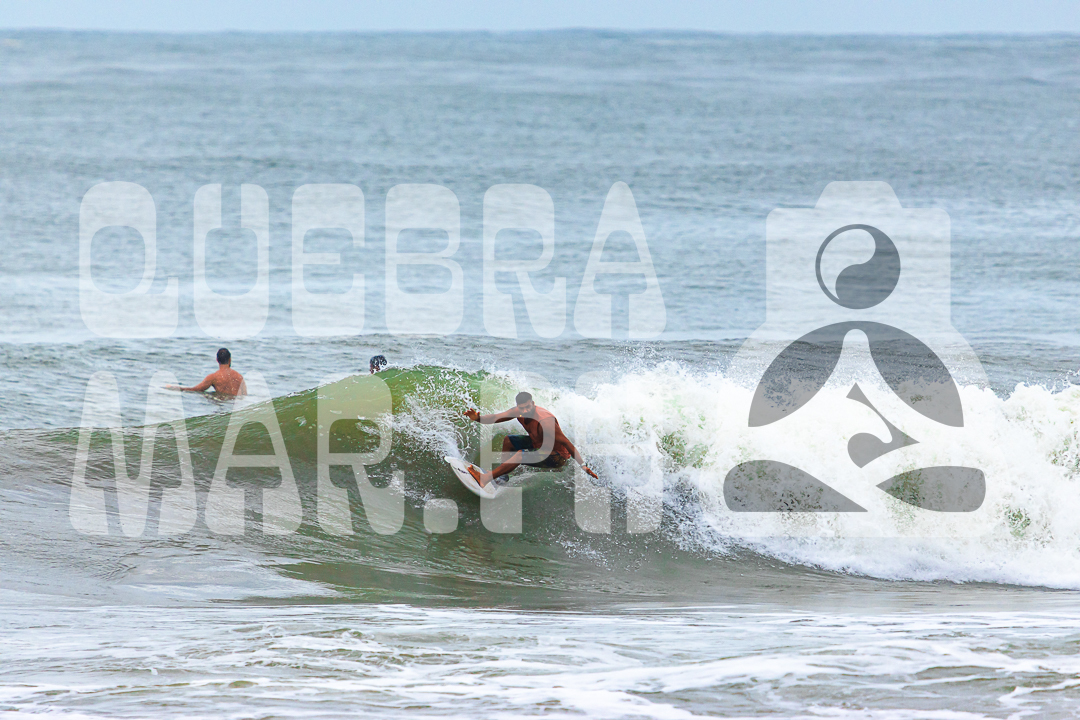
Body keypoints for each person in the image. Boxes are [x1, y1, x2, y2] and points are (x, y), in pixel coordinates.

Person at [463, 391, 598, 488]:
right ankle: (502, 476)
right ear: (518, 407)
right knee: (508, 440)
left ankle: (486, 478)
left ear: (533, 404)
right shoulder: (518, 412)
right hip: (538, 445)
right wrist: (477, 418)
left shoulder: (546, 421)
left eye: (528, 407)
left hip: (556, 456)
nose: (526, 411)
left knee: (520, 455)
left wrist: (583, 465)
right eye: (522, 408)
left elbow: (566, 443)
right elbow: (495, 418)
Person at [166, 348, 247, 396]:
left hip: (222, 405)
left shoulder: (214, 377)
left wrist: (175, 388)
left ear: (217, 360)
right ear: (230, 359)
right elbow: (244, 395)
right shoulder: (239, 377)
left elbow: (195, 390)